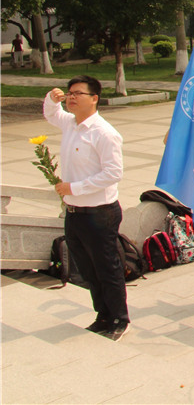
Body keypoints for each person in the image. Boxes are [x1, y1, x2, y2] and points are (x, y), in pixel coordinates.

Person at [43, 76, 128, 340]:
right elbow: (50, 113)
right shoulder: (71, 124)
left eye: (78, 93)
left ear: (94, 99)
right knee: (87, 270)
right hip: (74, 213)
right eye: (69, 93)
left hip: (99, 213)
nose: (71, 97)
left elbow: (113, 173)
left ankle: (118, 319)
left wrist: (74, 188)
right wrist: (51, 97)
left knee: (107, 268)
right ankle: (102, 315)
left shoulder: (104, 132)